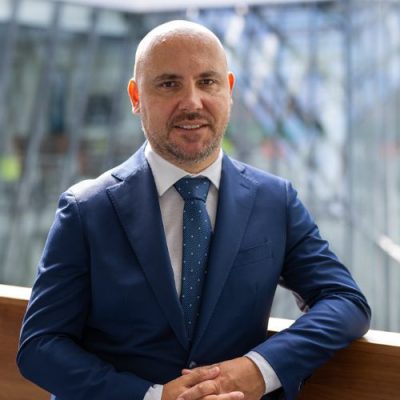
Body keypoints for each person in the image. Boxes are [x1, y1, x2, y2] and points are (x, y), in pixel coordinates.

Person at [17, 20, 371, 400]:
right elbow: (40, 345)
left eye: (207, 82)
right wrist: (152, 397)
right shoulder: (86, 210)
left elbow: (345, 301)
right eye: (169, 84)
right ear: (136, 96)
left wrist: (259, 370)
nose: (192, 102)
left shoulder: (275, 200)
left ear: (229, 90)